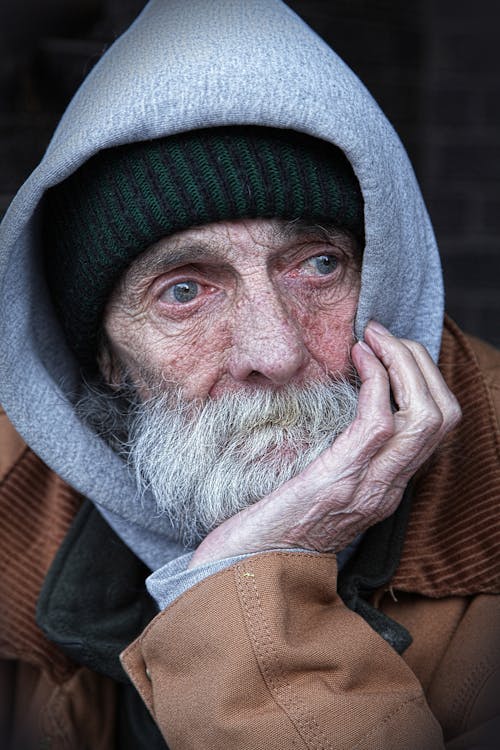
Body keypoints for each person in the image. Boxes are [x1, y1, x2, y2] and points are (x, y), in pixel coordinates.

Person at [0, 1, 499, 748]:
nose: (276, 350)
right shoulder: (13, 502)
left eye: (318, 265)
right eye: (184, 290)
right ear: (104, 356)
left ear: (386, 278)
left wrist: (248, 590)